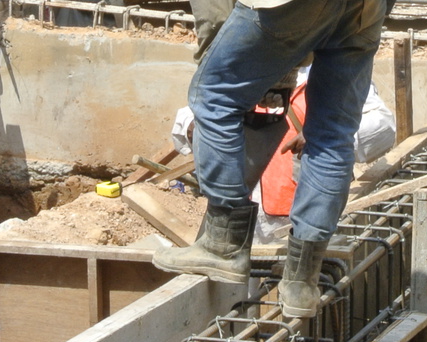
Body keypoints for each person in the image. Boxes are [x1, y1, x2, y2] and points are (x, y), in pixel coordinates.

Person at [98, 0, 395, 318]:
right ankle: (301, 281)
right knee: (332, 131)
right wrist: (270, 76)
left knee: (211, 94)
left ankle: (221, 244)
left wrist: (249, 78)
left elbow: (214, 14)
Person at [170, 66, 397, 244]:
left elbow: (384, 127)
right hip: (238, 216)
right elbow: (188, 118)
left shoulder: (337, 74)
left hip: (307, 220)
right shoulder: (245, 72)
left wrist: (328, 137)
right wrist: (198, 127)